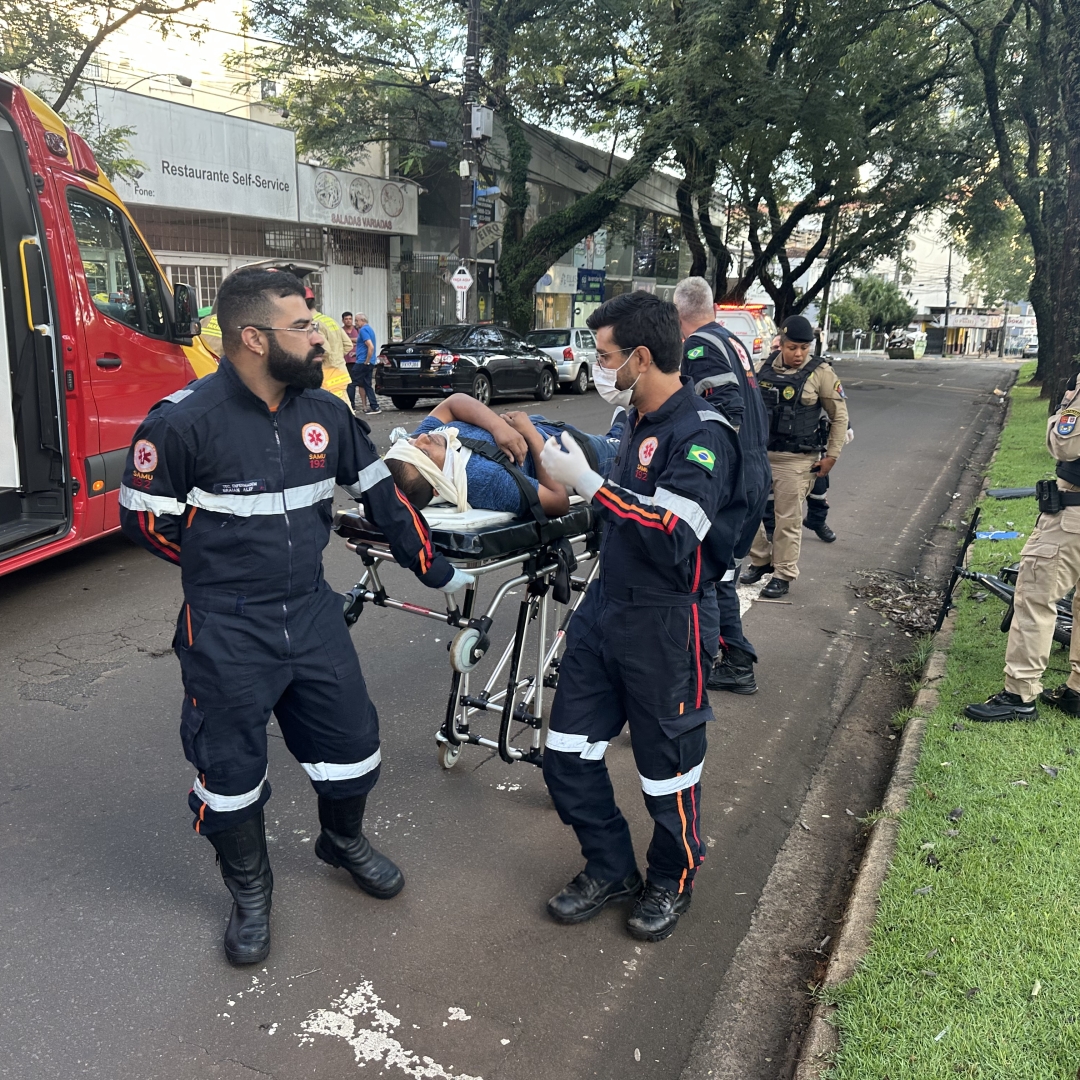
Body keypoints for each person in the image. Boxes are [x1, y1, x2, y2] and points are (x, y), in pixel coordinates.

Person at [118, 268, 470, 966]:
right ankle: (251, 891)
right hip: (226, 625)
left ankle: (341, 840)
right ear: (252, 338)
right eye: (304, 327)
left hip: (310, 612)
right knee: (230, 771)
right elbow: (145, 521)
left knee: (352, 746)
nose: (322, 339)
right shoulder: (182, 421)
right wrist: (218, 572)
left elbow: (385, 499)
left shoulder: (327, 413)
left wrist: (434, 568)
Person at [537, 291, 747, 942]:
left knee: (668, 775)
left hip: (667, 624)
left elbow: (674, 532)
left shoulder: (705, 434)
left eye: (605, 357)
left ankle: (670, 879)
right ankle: (610, 868)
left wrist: (594, 485)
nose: (599, 368)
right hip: (607, 609)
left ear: (642, 356)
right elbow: (612, 519)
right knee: (565, 753)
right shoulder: (630, 425)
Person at [674, 276, 771, 695]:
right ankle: (734, 657)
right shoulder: (730, 340)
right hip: (755, 467)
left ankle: (728, 662)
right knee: (725, 571)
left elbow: (726, 410)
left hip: (735, 475)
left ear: (680, 314)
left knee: (712, 574)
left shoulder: (699, 347)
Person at [965, 379, 1080, 722]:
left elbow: (1066, 444)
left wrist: (1070, 400)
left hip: (1072, 517)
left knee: (1035, 600)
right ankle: (1077, 692)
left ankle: (1019, 694)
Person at [741, 314, 848, 599]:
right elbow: (743, 408)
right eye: (792, 347)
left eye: (804, 348)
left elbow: (839, 417)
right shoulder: (761, 368)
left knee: (787, 518)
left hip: (797, 460)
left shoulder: (821, 373)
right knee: (746, 510)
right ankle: (761, 560)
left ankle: (784, 573)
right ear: (781, 344)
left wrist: (832, 456)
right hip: (761, 455)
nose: (798, 354)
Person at [384, 394, 624, 517]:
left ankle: (622, 428)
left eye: (412, 442)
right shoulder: (486, 480)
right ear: (438, 487)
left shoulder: (422, 444)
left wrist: (498, 427)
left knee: (619, 435)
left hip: (547, 428)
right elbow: (557, 501)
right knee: (622, 448)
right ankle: (624, 430)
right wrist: (530, 433)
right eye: (424, 452)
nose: (423, 437)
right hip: (571, 453)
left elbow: (453, 403)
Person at [352, 312, 381, 415]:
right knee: (367, 384)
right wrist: (356, 354)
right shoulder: (369, 329)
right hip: (369, 361)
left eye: (356, 320)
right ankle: (375, 406)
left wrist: (366, 361)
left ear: (362, 320)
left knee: (351, 383)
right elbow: (364, 346)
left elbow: (370, 346)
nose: (355, 323)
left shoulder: (363, 330)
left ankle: (351, 406)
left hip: (363, 362)